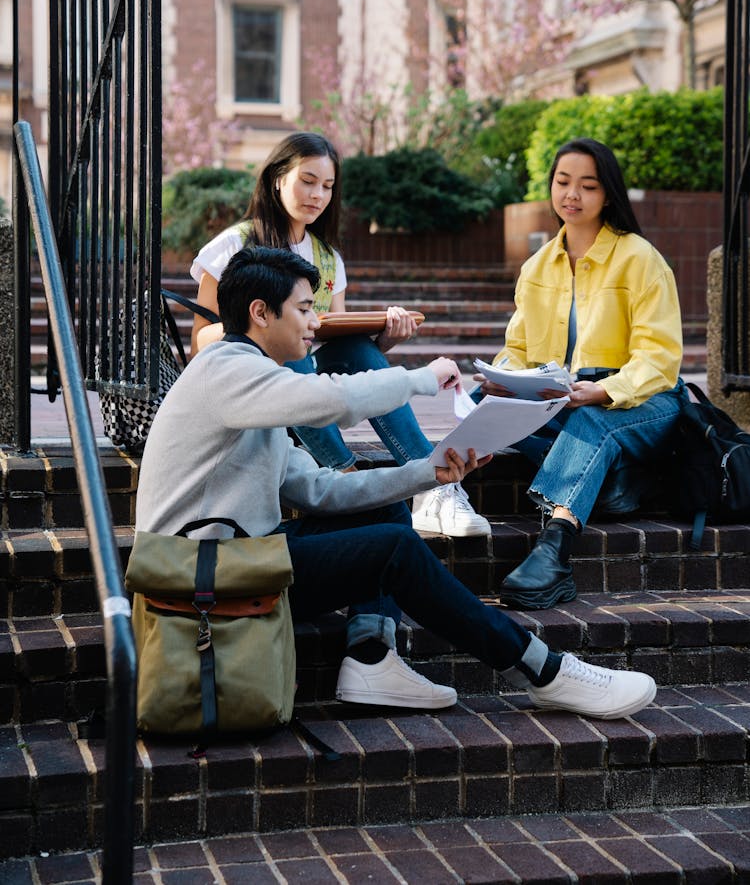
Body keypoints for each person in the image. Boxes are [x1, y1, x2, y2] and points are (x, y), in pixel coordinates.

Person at [135, 245, 657, 718]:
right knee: (394, 547)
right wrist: (419, 379)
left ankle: (370, 660)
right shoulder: (224, 369)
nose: (315, 321)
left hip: (239, 559)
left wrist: (429, 471)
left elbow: (321, 492)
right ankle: (541, 669)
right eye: (303, 308)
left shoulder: (255, 387)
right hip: (198, 574)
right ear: (259, 313)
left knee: (384, 510)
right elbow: (332, 402)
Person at [189, 131, 490, 538]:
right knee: (292, 349)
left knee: (351, 346)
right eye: (307, 181)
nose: (317, 195)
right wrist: (271, 325)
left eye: (327, 187)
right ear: (278, 179)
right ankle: (341, 470)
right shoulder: (235, 244)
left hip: (307, 389)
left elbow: (332, 340)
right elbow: (201, 341)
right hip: (250, 386)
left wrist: (385, 339)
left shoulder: (328, 258)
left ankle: (437, 491)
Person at [475, 138, 687, 611]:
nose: (572, 194)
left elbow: (659, 359)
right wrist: (504, 377)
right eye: (563, 182)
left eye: (587, 186)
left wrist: (606, 390)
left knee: (593, 423)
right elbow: (518, 349)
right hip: (568, 394)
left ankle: (555, 548)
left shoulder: (640, 258)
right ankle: (611, 483)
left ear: (607, 194)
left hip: (643, 400)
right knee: (479, 401)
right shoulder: (536, 266)